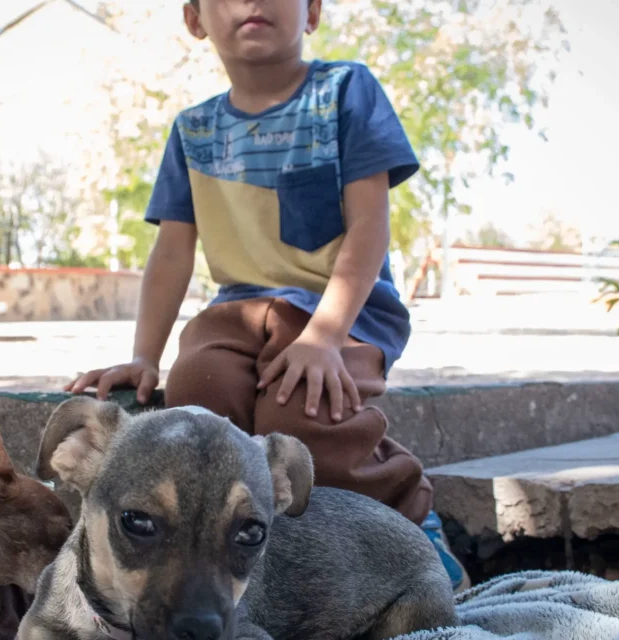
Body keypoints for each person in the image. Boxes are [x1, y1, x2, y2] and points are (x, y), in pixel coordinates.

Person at [67, 0, 470, 590]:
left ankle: (412, 522)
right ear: (195, 18)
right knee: (197, 391)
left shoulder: (345, 91)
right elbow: (174, 253)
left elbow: (369, 226)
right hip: (237, 312)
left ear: (311, 12)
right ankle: (235, 562)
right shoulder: (193, 130)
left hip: (340, 312)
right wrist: (145, 357)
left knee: (298, 413)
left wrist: (326, 336)